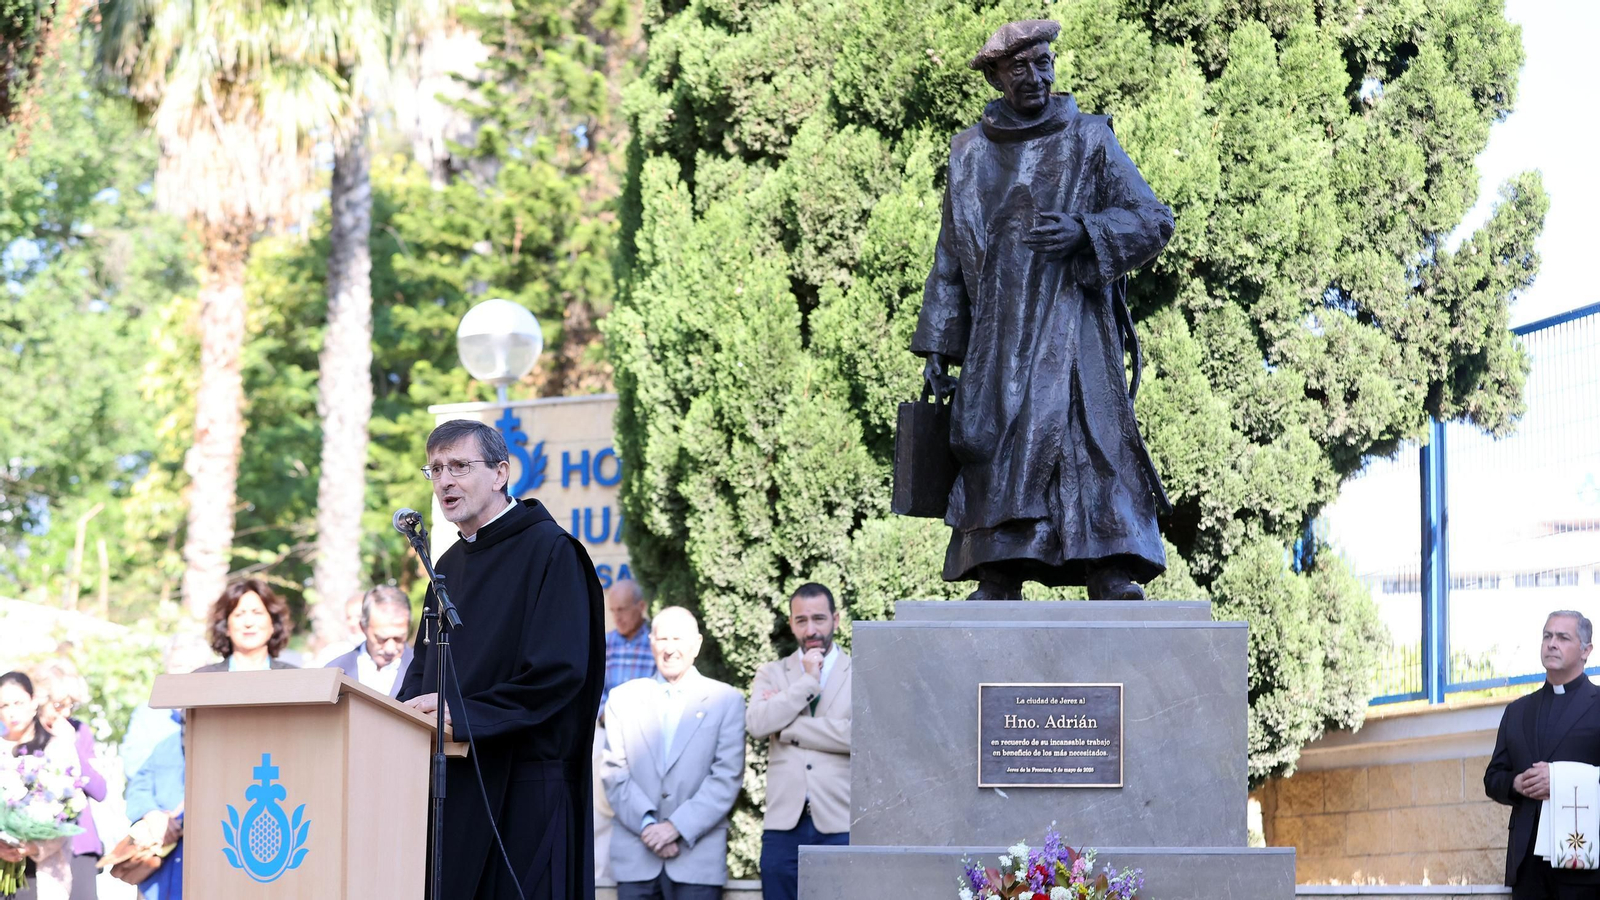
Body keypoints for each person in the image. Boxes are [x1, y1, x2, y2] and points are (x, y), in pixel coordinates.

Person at [912, 19, 1175, 601]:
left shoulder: (1089, 138)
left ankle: (1108, 564)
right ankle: (998, 569)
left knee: (1090, 442)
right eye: (1019, 67)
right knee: (995, 443)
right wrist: (938, 344)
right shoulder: (968, 153)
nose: (1034, 76)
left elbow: (1154, 219)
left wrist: (1086, 231)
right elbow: (951, 253)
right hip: (998, 337)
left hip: (1074, 326)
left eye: (1043, 62)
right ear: (997, 76)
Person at [397, 418, 604, 900]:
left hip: (525, 788)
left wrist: (466, 716)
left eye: (460, 466)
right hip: (456, 785)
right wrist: (401, 714)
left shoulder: (553, 552)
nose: (446, 480)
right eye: (436, 469)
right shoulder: (445, 565)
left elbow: (560, 672)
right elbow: (423, 670)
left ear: (500, 473)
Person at [601, 607, 744, 900]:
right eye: (661, 638)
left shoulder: (727, 700)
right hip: (635, 859)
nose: (669, 648)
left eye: (677, 638)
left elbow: (726, 777)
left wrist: (675, 828)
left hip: (696, 859)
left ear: (697, 644)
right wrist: (649, 826)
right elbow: (614, 772)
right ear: (650, 641)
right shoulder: (622, 699)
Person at [746, 584, 852, 900]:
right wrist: (807, 682)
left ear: (835, 619)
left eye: (819, 619)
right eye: (802, 620)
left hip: (840, 821)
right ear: (791, 623)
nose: (811, 629)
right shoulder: (772, 673)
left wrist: (789, 729)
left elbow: (859, 736)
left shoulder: (859, 672)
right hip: (782, 825)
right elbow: (758, 723)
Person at [1485, 610, 1600, 898]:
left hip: (1587, 867)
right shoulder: (1518, 711)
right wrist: (1516, 783)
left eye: (1563, 637)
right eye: (1547, 636)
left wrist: (1560, 781)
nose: (1551, 643)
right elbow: (1493, 777)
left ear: (1586, 651)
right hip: (1528, 867)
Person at [0, 671, 80, 900]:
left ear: (33, 702)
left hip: (41, 870)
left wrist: (32, 847)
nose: (12, 711)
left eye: (18, 702)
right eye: (4, 705)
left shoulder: (57, 747)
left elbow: (68, 812)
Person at [596, 579, 656, 880]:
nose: (617, 617)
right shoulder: (605, 643)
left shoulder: (657, 644)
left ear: (641, 607)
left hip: (644, 737)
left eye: (623, 610)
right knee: (600, 811)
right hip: (606, 731)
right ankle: (600, 879)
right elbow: (594, 692)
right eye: (613, 610)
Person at [33, 663, 107, 900]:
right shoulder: (24, 733)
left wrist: (72, 747)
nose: (65, 713)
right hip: (33, 845)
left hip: (78, 843)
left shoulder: (79, 731)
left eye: (71, 705)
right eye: (58, 705)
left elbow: (99, 789)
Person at [325, 585, 415, 697]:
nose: (390, 648)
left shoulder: (427, 673)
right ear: (363, 627)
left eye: (399, 638)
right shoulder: (334, 671)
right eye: (381, 639)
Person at [195, 578, 298, 673]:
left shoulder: (295, 678)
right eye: (239, 614)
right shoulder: (201, 679)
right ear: (226, 627)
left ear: (273, 624)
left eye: (257, 613)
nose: (248, 623)